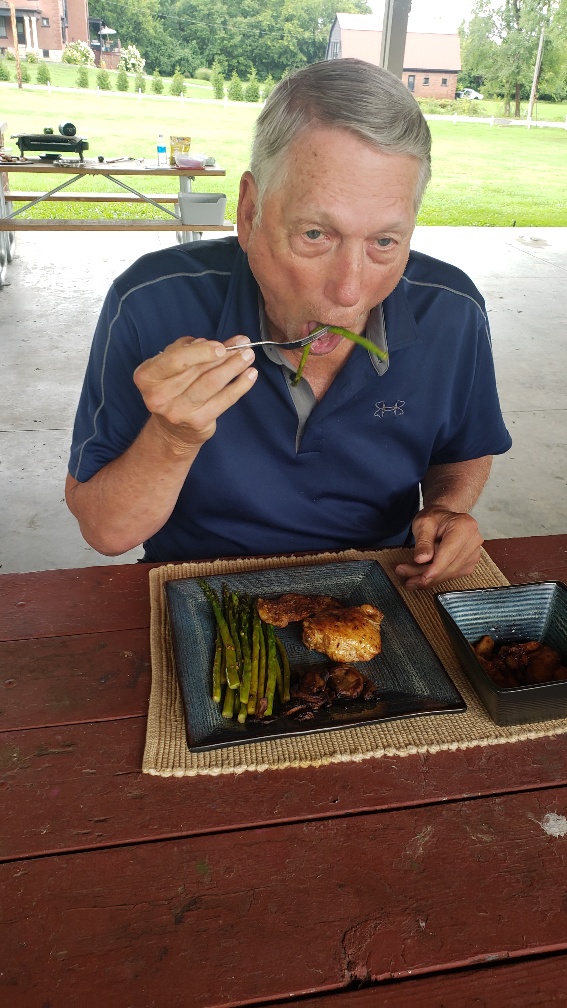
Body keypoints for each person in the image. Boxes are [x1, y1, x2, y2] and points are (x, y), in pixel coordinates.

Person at [66, 58, 511, 590]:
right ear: (249, 212)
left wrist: (446, 508)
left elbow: (465, 448)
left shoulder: (453, 311)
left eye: (383, 242)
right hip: (197, 586)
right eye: (315, 235)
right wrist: (173, 437)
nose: (350, 292)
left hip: (381, 585)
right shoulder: (151, 301)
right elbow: (107, 531)